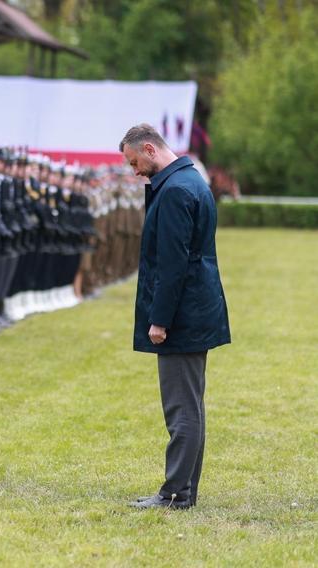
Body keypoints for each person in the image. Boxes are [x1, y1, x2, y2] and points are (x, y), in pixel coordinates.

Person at [120, 123, 230, 510]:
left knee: (181, 408)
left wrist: (160, 319)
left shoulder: (176, 191)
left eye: (135, 162)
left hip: (182, 316)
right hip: (196, 309)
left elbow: (172, 264)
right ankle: (183, 490)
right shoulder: (189, 181)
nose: (134, 171)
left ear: (149, 149)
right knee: (191, 405)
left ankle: (175, 493)